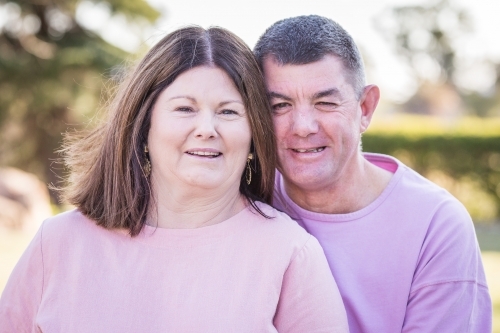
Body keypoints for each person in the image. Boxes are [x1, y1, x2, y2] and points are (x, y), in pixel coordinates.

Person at [0, 26, 349, 332]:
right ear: (143, 124)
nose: (207, 129)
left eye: (228, 112)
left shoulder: (289, 253)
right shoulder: (58, 243)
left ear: (254, 134)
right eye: (185, 108)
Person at [254, 15, 492, 333]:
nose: (302, 127)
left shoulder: (435, 226)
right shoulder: (244, 203)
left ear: (365, 108)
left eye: (325, 103)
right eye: (279, 106)